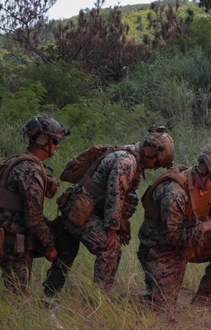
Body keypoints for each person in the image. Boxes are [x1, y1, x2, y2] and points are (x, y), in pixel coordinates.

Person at [43, 126, 174, 295]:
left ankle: (48, 297)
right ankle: (99, 300)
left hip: (82, 209)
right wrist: (112, 229)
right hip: (79, 211)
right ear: (149, 151)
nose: (155, 168)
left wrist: (123, 221)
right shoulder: (127, 162)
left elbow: (126, 196)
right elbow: (115, 195)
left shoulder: (131, 156)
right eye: (156, 162)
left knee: (67, 250)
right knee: (110, 249)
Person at [137, 147, 211, 307]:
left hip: (188, 241)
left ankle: (203, 298)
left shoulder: (208, 185)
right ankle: (118, 302)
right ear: (204, 171)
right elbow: (173, 237)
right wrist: (206, 227)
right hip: (161, 248)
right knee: (160, 306)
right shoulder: (174, 193)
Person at [0, 115, 67, 293]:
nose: (58, 146)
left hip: (11, 238)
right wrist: (50, 248)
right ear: (43, 141)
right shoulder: (30, 171)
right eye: (56, 141)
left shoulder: (22, 162)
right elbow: (34, 219)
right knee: (17, 299)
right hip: (14, 243)